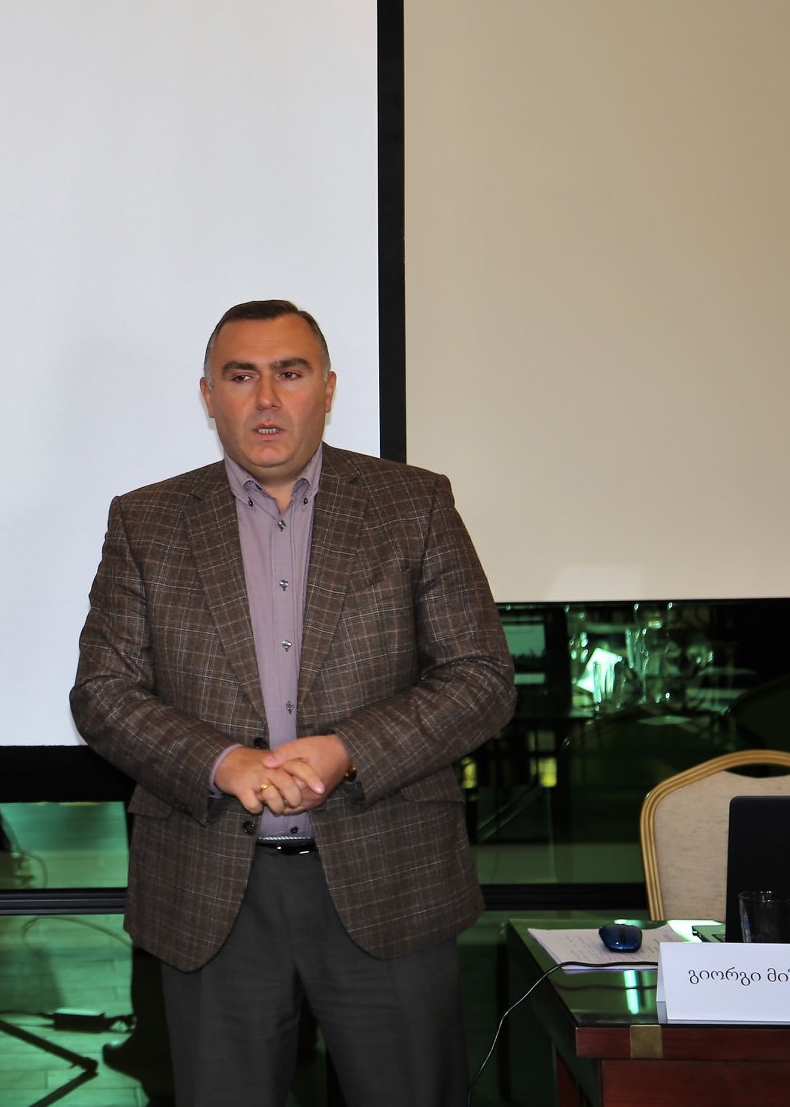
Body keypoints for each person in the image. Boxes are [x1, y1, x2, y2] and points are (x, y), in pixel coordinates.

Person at [71, 300, 515, 1107]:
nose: (266, 398)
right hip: (212, 893)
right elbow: (103, 694)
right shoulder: (146, 520)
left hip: (390, 880)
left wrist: (349, 749)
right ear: (208, 395)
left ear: (328, 389)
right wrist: (220, 762)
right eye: (241, 376)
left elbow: (480, 676)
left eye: (290, 373)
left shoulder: (412, 504)